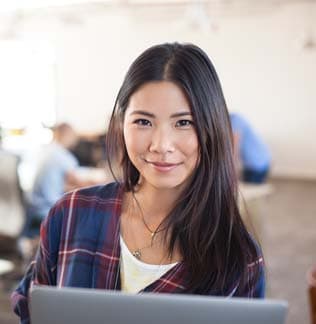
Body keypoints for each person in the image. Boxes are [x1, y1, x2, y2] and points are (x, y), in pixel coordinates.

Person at [12, 43, 265, 323]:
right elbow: (31, 310)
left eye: (183, 123)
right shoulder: (71, 213)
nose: (161, 145)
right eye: (144, 122)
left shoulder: (238, 257)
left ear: (211, 129)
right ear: (121, 125)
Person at [21, 123, 88, 238]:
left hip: (32, 209)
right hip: (47, 210)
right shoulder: (62, 156)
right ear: (67, 135)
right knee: (88, 213)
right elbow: (80, 184)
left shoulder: (43, 150)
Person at [230, 113, 271, 184]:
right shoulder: (235, 119)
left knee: (252, 190)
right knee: (250, 188)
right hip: (255, 163)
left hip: (257, 164)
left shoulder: (235, 121)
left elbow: (234, 151)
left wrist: (232, 175)